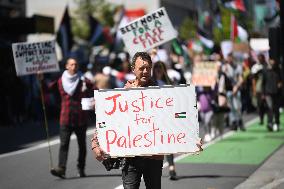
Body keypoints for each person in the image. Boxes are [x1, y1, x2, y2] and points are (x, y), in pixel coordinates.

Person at [91, 52, 202, 189]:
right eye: (141, 68)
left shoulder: (162, 95)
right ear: (133, 69)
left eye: (148, 68)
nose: (145, 71)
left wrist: (192, 139)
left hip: (153, 158)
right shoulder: (122, 95)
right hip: (130, 157)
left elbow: (177, 117)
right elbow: (108, 122)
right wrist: (96, 145)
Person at [40, 58, 95, 178]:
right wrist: (41, 80)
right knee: (64, 144)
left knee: (82, 145)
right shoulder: (60, 81)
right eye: (71, 64)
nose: (74, 66)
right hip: (65, 118)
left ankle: (81, 168)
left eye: (76, 64)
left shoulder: (83, 80)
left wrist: (96, 100)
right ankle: (61, 168)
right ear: (66, 66)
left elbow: (95, 89)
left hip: (81, 118)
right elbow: (47, 89)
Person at [262, 59, 282, 131]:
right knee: (269, 108)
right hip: (268, 92)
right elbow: (263, 82)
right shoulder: (265, 70)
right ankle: (270, 123)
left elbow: (281, 80)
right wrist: (263, 93)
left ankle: (277, 122)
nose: (272, 62)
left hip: (276, 92)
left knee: (276, 109)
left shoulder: (278, 70)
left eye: (273, 60)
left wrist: (280, 84)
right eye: (271, 60)